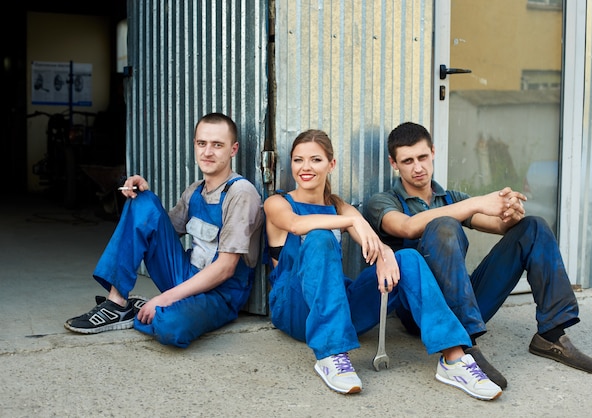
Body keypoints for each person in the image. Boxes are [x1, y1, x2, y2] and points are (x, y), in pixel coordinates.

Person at [264, 129, 502, 400]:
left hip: (337, 305)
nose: (305, 167)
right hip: (295, 309)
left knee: (407, 258)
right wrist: (352, 221)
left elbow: (374, 244)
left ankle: (453, 358)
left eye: (315, 160)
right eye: (298, 160)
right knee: (318, 237)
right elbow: (296, 225)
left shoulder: (338, 206)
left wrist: (386, 255)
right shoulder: (278, 203)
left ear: (331, 165)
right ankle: (331, 354)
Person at [364, 122, 592, 389]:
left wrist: (510, 212)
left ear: (433, 152)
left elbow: (498, 226)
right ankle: (465, 349)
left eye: (422, 157)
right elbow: (406, 227)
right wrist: (476, 202)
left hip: (464, 299)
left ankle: (551, 334)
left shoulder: (451, 198)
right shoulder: (382, 202)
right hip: (420, 312)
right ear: (394, 163)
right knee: (443, 225)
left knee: (533, 227)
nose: (418, 167)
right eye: (407, 161)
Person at [65, 112, 264, 348]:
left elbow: (225, 269)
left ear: (233, 149)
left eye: (217, 145)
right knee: (142, 202)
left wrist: (163, 298)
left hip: (219, 295)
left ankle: (149, 310)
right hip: (186, 274)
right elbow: (155, 230)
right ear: (195, 145)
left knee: (170, 327)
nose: (207, 152)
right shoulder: (194, 191)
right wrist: (143, 196)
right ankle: (117, 303)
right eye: (202, 143)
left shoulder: (240, 193)